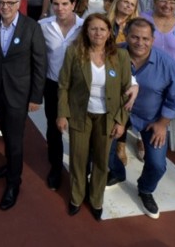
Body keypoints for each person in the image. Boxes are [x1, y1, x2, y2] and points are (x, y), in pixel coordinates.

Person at [107, 17, 175, 219]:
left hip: (153, 118)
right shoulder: (113, 54)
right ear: (127, 36)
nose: (139, 43)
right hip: (119, 114)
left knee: (158, 164)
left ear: (153, 39)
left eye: (145, 38)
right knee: (103, 146)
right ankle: (116, 172)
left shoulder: (169, 65)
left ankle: (146, 189)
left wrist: (162, 124)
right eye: (134, 37)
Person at [57, 13, 132, 220]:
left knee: (101, 159)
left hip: (107, 117)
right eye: (93, 29)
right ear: (86, 31)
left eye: (102, 29)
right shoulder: (74, 52)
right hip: (80, 114)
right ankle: (76, 197)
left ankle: (96, 198)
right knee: (78, 159)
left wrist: (121, 121)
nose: (98, 33)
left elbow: (127, 91)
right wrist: (62, 114)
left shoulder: (121, 56)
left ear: (109, 33)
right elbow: (63, 86)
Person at [0, 0, 46, 210]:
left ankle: (13, 182)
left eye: (10, 3)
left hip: (20, 93)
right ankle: (10, 164)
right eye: (1, 2)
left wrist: (35, 97)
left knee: (14, 138)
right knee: (5, 131)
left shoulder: (31, 27)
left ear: (18, 4)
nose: (5, 7)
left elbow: (40, 64)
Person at [39, 0, 83, 190]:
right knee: (54, 127)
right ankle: (55, 167)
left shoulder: (85, 26)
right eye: (56, 4)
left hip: (78, 87)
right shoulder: (42, 26)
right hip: (53, 84)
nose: (60, 8)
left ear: (73, 4)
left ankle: (79, 168)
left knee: (78, 128)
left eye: (65, 4)